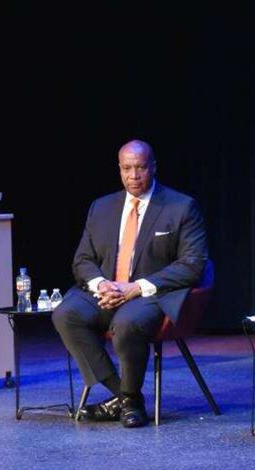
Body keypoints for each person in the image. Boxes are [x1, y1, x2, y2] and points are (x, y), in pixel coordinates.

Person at [52, 140, 209, 428]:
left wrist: (135, 288)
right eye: (127, 168)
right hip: (108, 292)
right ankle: (127, 398)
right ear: (119, 169)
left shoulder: (181, 207)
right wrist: (102, 285)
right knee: (66, 314)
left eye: (140, 168)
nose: (133, 176)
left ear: (153, 167)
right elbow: (82, 259)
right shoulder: (101, 207)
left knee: (127, 323)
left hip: (151, 295)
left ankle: (124, 400)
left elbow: (192, 264)